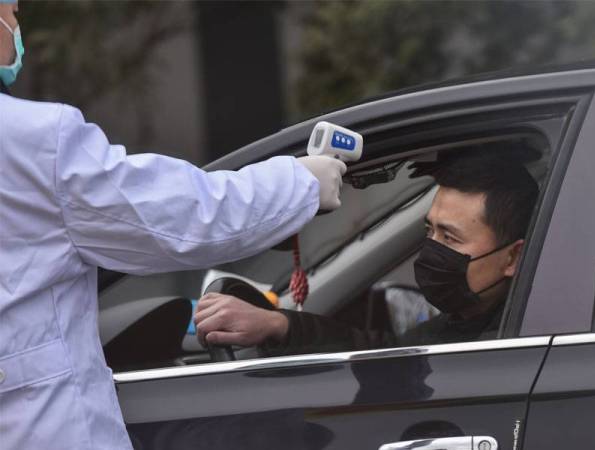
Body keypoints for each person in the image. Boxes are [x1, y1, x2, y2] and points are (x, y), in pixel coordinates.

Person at [0, 2, 347, 449]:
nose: (16, 24)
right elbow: (181, 218)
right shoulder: (31, 139)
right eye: (10, 10)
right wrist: (300, 184)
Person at [194, 154, 539, 355]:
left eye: (450, 237)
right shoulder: (468, 320)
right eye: (429, 230)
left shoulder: (516, 339)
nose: (432, 248)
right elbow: (387, 353)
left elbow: (400, 372)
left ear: (512, 258)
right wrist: (278, 324)